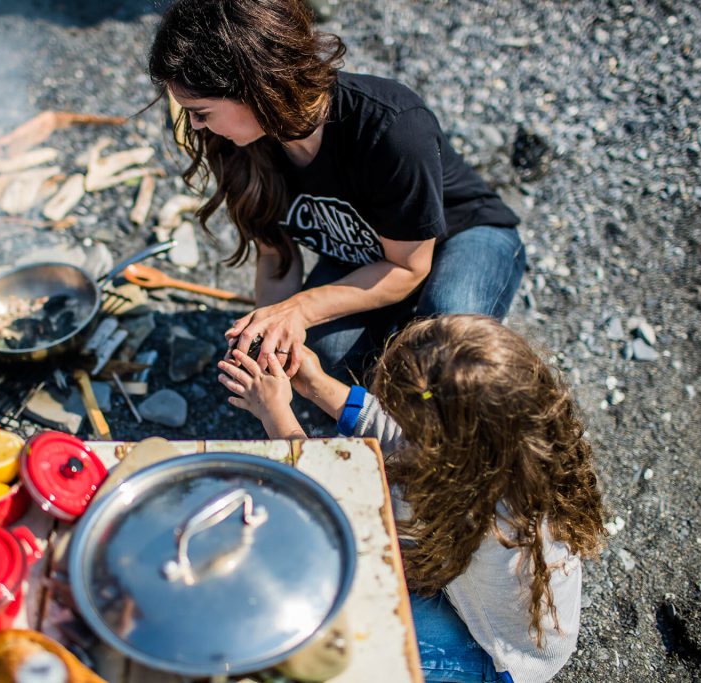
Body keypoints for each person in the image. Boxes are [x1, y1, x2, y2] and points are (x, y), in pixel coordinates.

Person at [216, 314, 606, 683]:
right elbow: (397, 432)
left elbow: (335, 502)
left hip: (492, 656)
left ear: (443, 445)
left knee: (317, 633)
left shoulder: (475, 508)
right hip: (487, 601)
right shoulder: (514, 445)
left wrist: (276, 415)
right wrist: (315, 381)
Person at [149, 0, 525, 381]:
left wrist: (302, 308)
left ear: (254, 88)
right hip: (366, 255)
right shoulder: (238, 143)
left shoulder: (392, 128)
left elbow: (409, 266)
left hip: (460, 236)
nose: (194, 126)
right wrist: (264, 336)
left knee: (447, 346)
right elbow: (275, 257)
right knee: (318, 354)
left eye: (201, 111)